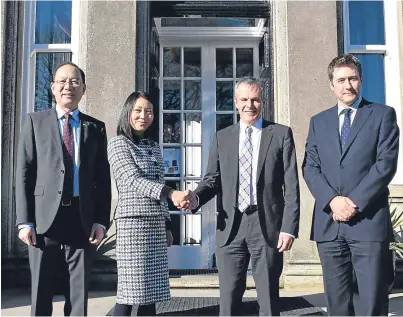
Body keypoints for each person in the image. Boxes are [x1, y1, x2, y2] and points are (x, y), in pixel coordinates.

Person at [175, 77, 300, 316]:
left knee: (269, 298)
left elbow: (292, 187)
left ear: (263, 102)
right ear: (235, 102)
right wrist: (195, 197)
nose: (249, 105)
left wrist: (289, 227)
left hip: (267, 226)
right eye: (244, 99)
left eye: (255, 99)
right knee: (229, 298)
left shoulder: (281, 134)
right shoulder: (223, 137)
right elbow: (212, 181)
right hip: (230, 226)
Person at [302, 54, 399, 316]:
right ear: (331, 85)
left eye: (353, 78)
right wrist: (333, 201)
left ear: (361, 80)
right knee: (337, 304)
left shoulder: (382, 115)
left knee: (371, 303)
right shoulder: (318, 122)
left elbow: (385, 166)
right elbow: (310, 167)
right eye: (341, 80)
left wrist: (352, 203)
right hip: (329, 227)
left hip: (367, 223)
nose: (348, 85)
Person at [15, 62, 112, 316]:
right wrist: (25, 221)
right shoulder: (35, 122)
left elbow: (102, 179)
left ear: (84, 89)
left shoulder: (95, 127)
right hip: (44, 219)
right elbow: (24, 173)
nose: (68, 86)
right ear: (52, 87)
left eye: (74, 82)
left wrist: (101, 221)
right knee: (41, 291)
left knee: (78, 293)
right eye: (62, 81)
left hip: (81, 219)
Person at [107, 91, 194, 316]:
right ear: (128, 113)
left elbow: (158, 180)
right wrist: (171, 194)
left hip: (155, 226)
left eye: (149, 111)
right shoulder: (118, 144)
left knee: (151, 292)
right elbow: (133, 180)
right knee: (128, 292)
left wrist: (166, 225)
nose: (143, 116)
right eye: (138, 110)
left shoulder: (153, 146)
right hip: (133, 226)